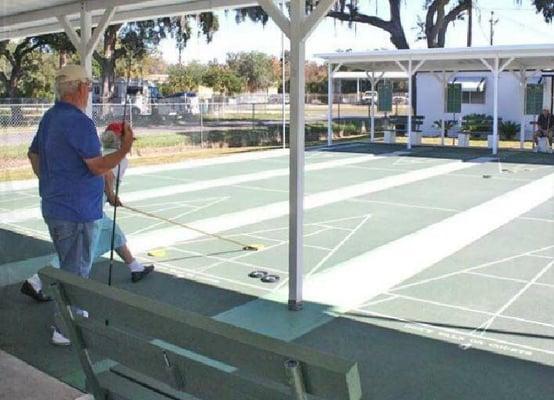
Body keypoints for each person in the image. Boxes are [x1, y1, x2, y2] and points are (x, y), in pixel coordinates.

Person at [21, 64, 134, 345]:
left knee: (71, 265)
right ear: (80, 87)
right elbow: (96, 166)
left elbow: (33, 154)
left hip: (56, 207)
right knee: (76, 273)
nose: (89, 91)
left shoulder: (50, 117)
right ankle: (65, 328)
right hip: (78, 212)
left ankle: (75, 314)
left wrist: (50, 180)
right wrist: (123, 149)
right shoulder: (79, 122)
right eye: (89, 86)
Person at [21, 123, 154, 305]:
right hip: (89, 212)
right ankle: (35, 282)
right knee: (75, 256)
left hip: (87, 207)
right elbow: (105, 175)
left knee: (113, 232)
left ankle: (135, 267)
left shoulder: (96, 151)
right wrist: (112, 196)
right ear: (120, 140)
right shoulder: (119, 160)